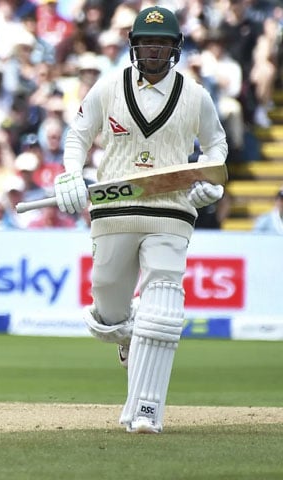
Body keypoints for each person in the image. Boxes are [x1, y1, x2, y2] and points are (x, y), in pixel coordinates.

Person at [52, 6, 227, 434]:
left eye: (162, 43)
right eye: (147, 42)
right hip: (113, 209)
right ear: (134, 45)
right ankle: (129, 334)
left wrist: (209, 180)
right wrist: (72, 172)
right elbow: (77, 135)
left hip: (171, 209)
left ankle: (145, 412)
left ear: (175, 48)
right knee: (108, 309)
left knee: (163, 306)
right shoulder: (109, 87)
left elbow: (217, 145)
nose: (154, 49)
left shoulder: (196, 95)